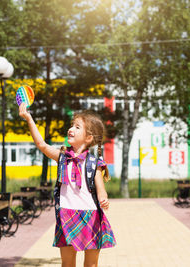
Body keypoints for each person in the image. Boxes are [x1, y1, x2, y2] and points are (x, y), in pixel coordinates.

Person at [19, 103, 116, 267]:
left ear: (88, 138)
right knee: (67, 263)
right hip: (66, 215)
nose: (71, 129)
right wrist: (29, 118)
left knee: (91, 264)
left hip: (91, 216)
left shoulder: (94, 163)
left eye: (77, 127)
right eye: (72, 125)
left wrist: (104, 200)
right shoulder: (62, 157)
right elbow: (42, 145)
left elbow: (101, 191)